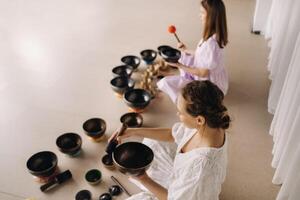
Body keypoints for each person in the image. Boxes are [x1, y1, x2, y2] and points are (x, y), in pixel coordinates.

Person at [110, 80, 231, 200]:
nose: (178, 115)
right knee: (152, 142)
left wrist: (143, 178)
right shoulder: (211, 124)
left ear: (199, 120)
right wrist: (133, 131)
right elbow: (172, 134)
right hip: (182, 179)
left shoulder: (200, 169)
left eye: (180, 113)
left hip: (187, 194)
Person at [157, 0, 229, 103]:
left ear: (211, 17)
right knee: (183, 55)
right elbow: (204, 56)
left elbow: (202, 73)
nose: (200, 15)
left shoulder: (211, 44)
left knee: (165, 83)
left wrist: (179, 65)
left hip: (210, 87)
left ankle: (185, 102)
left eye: (203, 13)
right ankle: (186, 76)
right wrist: (186, 50)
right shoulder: (216, 35)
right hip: (212, 76)